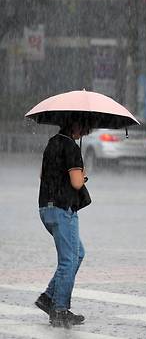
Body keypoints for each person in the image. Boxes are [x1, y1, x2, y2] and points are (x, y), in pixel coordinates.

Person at [36, 117, 90, 327]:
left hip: (46, 208)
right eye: (85, 126)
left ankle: (48, 297)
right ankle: (59, 310)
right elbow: (76, 183)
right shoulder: (71, 147)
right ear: (75, 124)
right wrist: (83, 176)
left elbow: (42, 176)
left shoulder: (52, 143)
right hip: (63, 208)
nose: (86, 132)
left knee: (77, 253)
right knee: (69, 260)